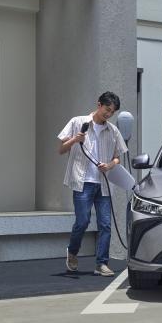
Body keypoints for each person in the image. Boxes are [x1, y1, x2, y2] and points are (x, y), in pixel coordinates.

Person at [58, 91, 128, 277]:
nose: (108, 114)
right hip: (83, 182)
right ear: (99, 105)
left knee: (105, 224)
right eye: (107, 109)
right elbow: (61, 149)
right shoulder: (77, 122)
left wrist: (110, 165)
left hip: (103, 183)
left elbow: (117, 158)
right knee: (83, 221)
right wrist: (75, 139)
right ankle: (72, 252)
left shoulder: (113, 131)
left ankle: (101, 264)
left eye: (112, 112)